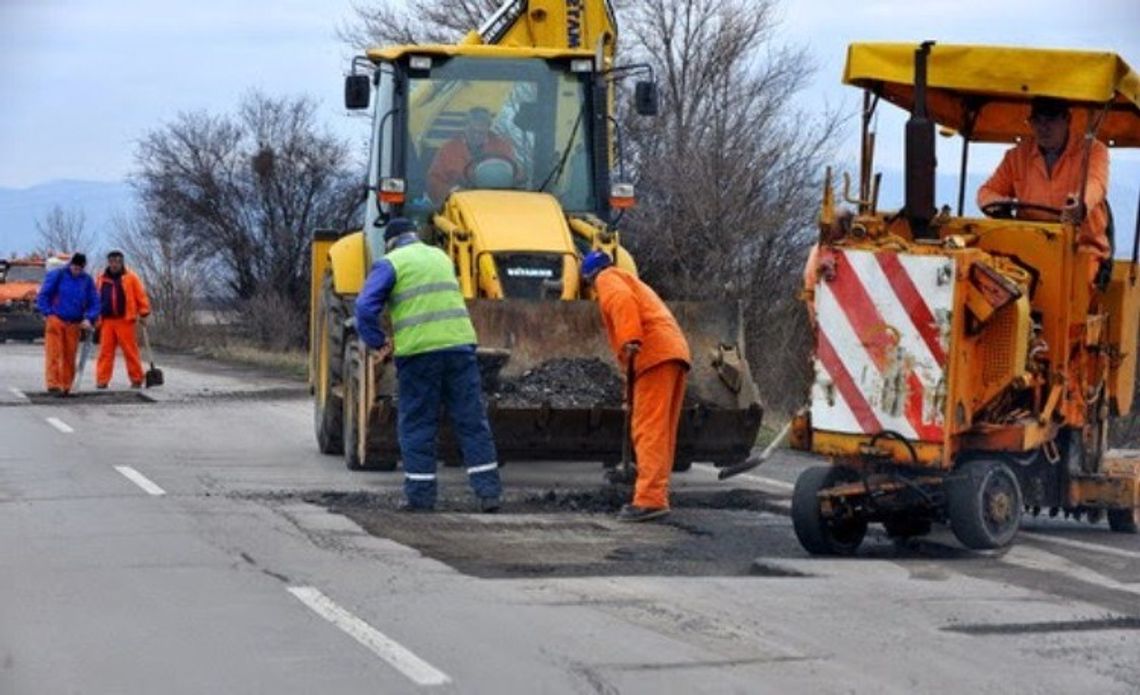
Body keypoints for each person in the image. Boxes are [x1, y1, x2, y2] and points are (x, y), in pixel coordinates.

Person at [354, 217, 503, 512]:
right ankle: (489, 494)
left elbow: (363, 307)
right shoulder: (441, 256)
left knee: (418, 424)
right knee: (472, 422)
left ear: (390, 242)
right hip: (460, 349)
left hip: (420, 353)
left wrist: (377, 341)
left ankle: (421, 497)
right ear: (415, 235)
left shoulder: (390, 263)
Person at [581, 250, 692, 522]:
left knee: (648, 430)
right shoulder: (629, 279)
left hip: (653, 355)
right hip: (671, 353)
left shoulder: (608, 280)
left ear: (590, 278)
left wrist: (629, 338)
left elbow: (622, 302)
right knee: (661, 431)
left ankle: (650, 499)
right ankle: (656, 493)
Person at [977, 96, 1111, 279]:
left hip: (1080, 251)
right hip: (1028, 249)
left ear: (1067, 120)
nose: (1043, 127)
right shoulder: (1016, 156)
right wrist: (997, 203)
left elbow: (1096, 183)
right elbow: (986, 192)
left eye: (1051, 119)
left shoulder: (1094, 151)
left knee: (1074, 281)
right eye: (1037, 120)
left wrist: (1081, 204)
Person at [35, 253, 99, 396]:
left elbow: (94, 302)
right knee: (54, 354)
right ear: (71, 264)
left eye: (79, 268)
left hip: (74, 323)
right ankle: (53, 385)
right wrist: (48, 313)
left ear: (83, 267)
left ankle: (66, 386)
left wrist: (89, 318)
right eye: (75, 267)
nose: (76, 270)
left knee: (69, 356)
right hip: (56, 319)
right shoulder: (58, 275)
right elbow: (43, 295)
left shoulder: (87, 281)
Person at [426, 107, 516, 202]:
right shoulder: (448, 150)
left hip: (496, 204)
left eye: (481, 132)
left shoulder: (502, 148)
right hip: (460, 205)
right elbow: (434, 181)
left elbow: (516, 177)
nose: (476, 135)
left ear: (488, 128)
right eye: (472, 131)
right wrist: (451, 192)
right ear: (464, 127)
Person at [95, 250, 152, 389]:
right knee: (105, 352)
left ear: (122, 262)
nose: (114, 264)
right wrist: (93, 316)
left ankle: (136, 379)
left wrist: (144, 313)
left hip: (125, 320)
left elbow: (141, 296)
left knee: (130, 351)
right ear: (108, 262)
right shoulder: (101, 278)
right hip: (107, 321)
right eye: (112, 261)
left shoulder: (131, 277)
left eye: (117, 261)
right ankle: (102, 380)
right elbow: (95, 298)